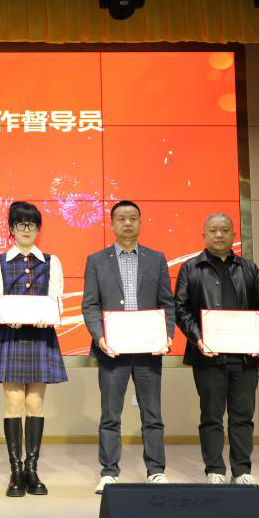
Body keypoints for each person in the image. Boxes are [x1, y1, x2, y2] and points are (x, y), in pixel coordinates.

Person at [82, 200, 175, 493]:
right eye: (121, 218)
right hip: (113, 350)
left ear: (140, 222)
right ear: (111, 224)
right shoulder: (96, 260)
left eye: (133, 218)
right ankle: (109, 471)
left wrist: (166, 335)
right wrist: (100, 337)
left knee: (152, 414)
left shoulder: (156, 259)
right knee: (110, 414)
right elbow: (90, 305)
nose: (127, 223)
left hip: (149, 350)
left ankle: (156, 470)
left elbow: (166, 302)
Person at [174, 213, 259, 493]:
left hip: (246, 357)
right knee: (211, 416)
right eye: (214, 230)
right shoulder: (191, 268)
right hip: (208, 356)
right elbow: (181, 309)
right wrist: (198, 339)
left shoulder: (249, 268)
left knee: (243, 416)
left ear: (234, 235)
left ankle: (242, 471)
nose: (219, 235)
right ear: (203, 235)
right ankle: (215, 470)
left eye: (225, 230)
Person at [0, 201, 67, 498]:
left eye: (31, 225)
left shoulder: (51, 261)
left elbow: (56, 299)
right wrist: (7, 317)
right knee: (14, 403)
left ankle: (32, 469)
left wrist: (50, 316)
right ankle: (16, 472)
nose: (26, 229)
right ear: (11, 229)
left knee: (35, 404)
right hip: (12, 335)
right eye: (20, 224)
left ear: (38, 229)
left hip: (41, 336)